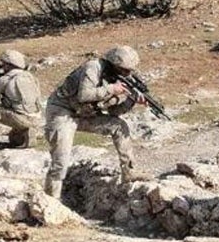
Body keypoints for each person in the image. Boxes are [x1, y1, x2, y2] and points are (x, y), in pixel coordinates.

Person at [43, 46, 150, 198]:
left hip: (84, 114)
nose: (128, 74)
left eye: (129, 70)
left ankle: (129, 171)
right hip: (62, 111)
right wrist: (112, 89)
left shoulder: (117, 78)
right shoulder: (93, 67)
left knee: (120, 126)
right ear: (114, 64)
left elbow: (114, 112)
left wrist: (131, 100)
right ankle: (51, 199)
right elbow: (84, 95)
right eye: (124, 70)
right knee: (61, 157)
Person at [0, 49, 42, 153]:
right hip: (36, 118)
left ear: (9, 65)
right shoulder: (30, 77)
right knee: (13, 140)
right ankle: (26, 131)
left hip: (19, 118)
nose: (2, 67)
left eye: (4, 64)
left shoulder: (5, 79)